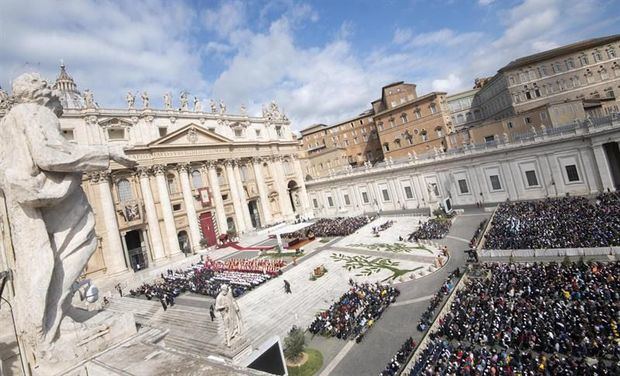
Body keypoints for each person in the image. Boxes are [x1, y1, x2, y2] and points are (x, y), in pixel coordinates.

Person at [0, 72, 136, 349]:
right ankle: (52, 324)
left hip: (26, 202)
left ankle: (50, 321)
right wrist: (107, 153)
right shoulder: (37, 112)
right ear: (42, 93)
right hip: (54, 199)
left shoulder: (8, 120)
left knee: (45, 260)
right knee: (78, 248)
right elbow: (50, 155)